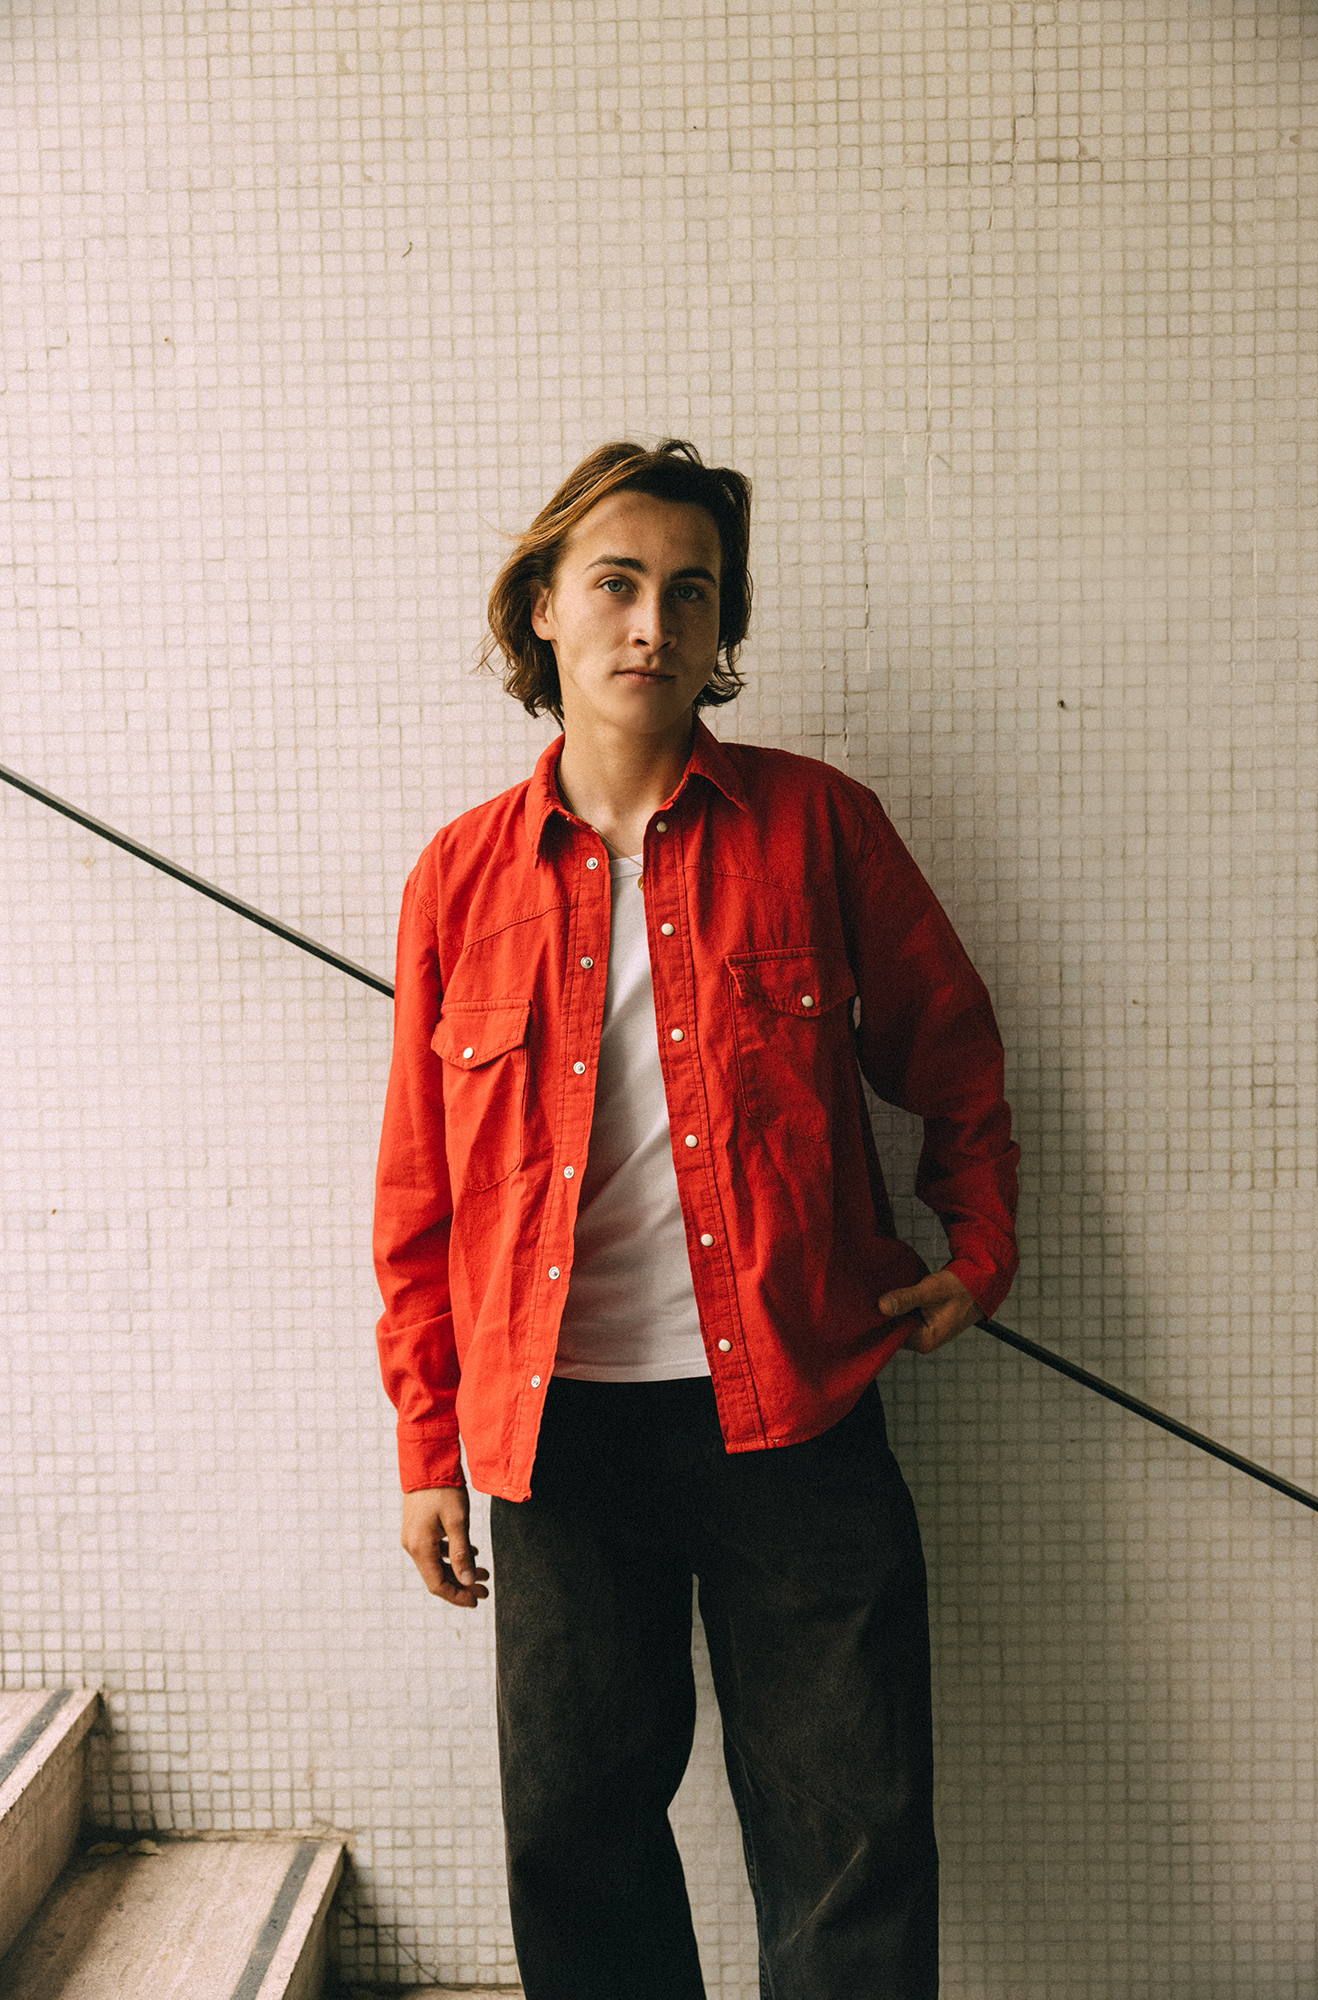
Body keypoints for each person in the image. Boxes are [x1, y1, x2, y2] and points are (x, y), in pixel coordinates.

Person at [373, 439, 1019, 2000]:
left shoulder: (818, 830)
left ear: (723, 630)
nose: (651, 622)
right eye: (615, 583)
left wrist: (976, 1248)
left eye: (690, 590)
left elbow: (949, 1046)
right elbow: (417, 1191)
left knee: (853, 1832)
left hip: (794, 1416)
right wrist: (426, 1446)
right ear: (542, 610)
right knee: (575, 1837)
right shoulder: (461, 877)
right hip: (557, 1436)